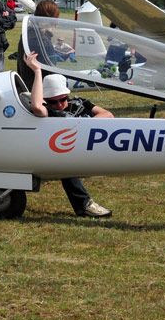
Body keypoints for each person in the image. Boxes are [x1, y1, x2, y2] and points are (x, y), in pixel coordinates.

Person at [24, 51, 113, 218]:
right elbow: (36, 107)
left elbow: (107, 115)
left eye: (63, 99)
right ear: (46, 100)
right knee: (65, 163)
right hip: (52, 151)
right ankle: (84, 205)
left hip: (79, 148)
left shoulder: (78, 104)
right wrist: (37, 71)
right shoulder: (47, 110)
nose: (58, 104)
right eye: (53, 101)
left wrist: (79, 125)